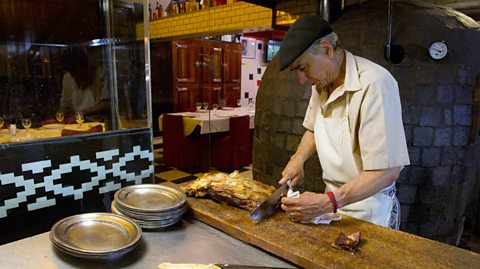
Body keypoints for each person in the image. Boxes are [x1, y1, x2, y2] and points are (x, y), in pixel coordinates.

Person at [277, 15, 410, 229]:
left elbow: (387, 171)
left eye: (302, 68)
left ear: (326, 49)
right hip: (333, 203)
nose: (301, 80)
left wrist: (327, 202)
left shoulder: (375, 85)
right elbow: (313, 128)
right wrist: (298, 158)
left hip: (370, 210)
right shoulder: (321, 84)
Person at [58, 47, 109, 122]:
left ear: (84, 65)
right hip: (75, 124)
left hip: (98, 122)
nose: (74, 76)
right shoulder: (67, 77)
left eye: (77, 71)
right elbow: (64, 105)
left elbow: (107, 103)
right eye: (72, 73)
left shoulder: (100, 73)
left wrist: (82, 113)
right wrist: (60, 113)